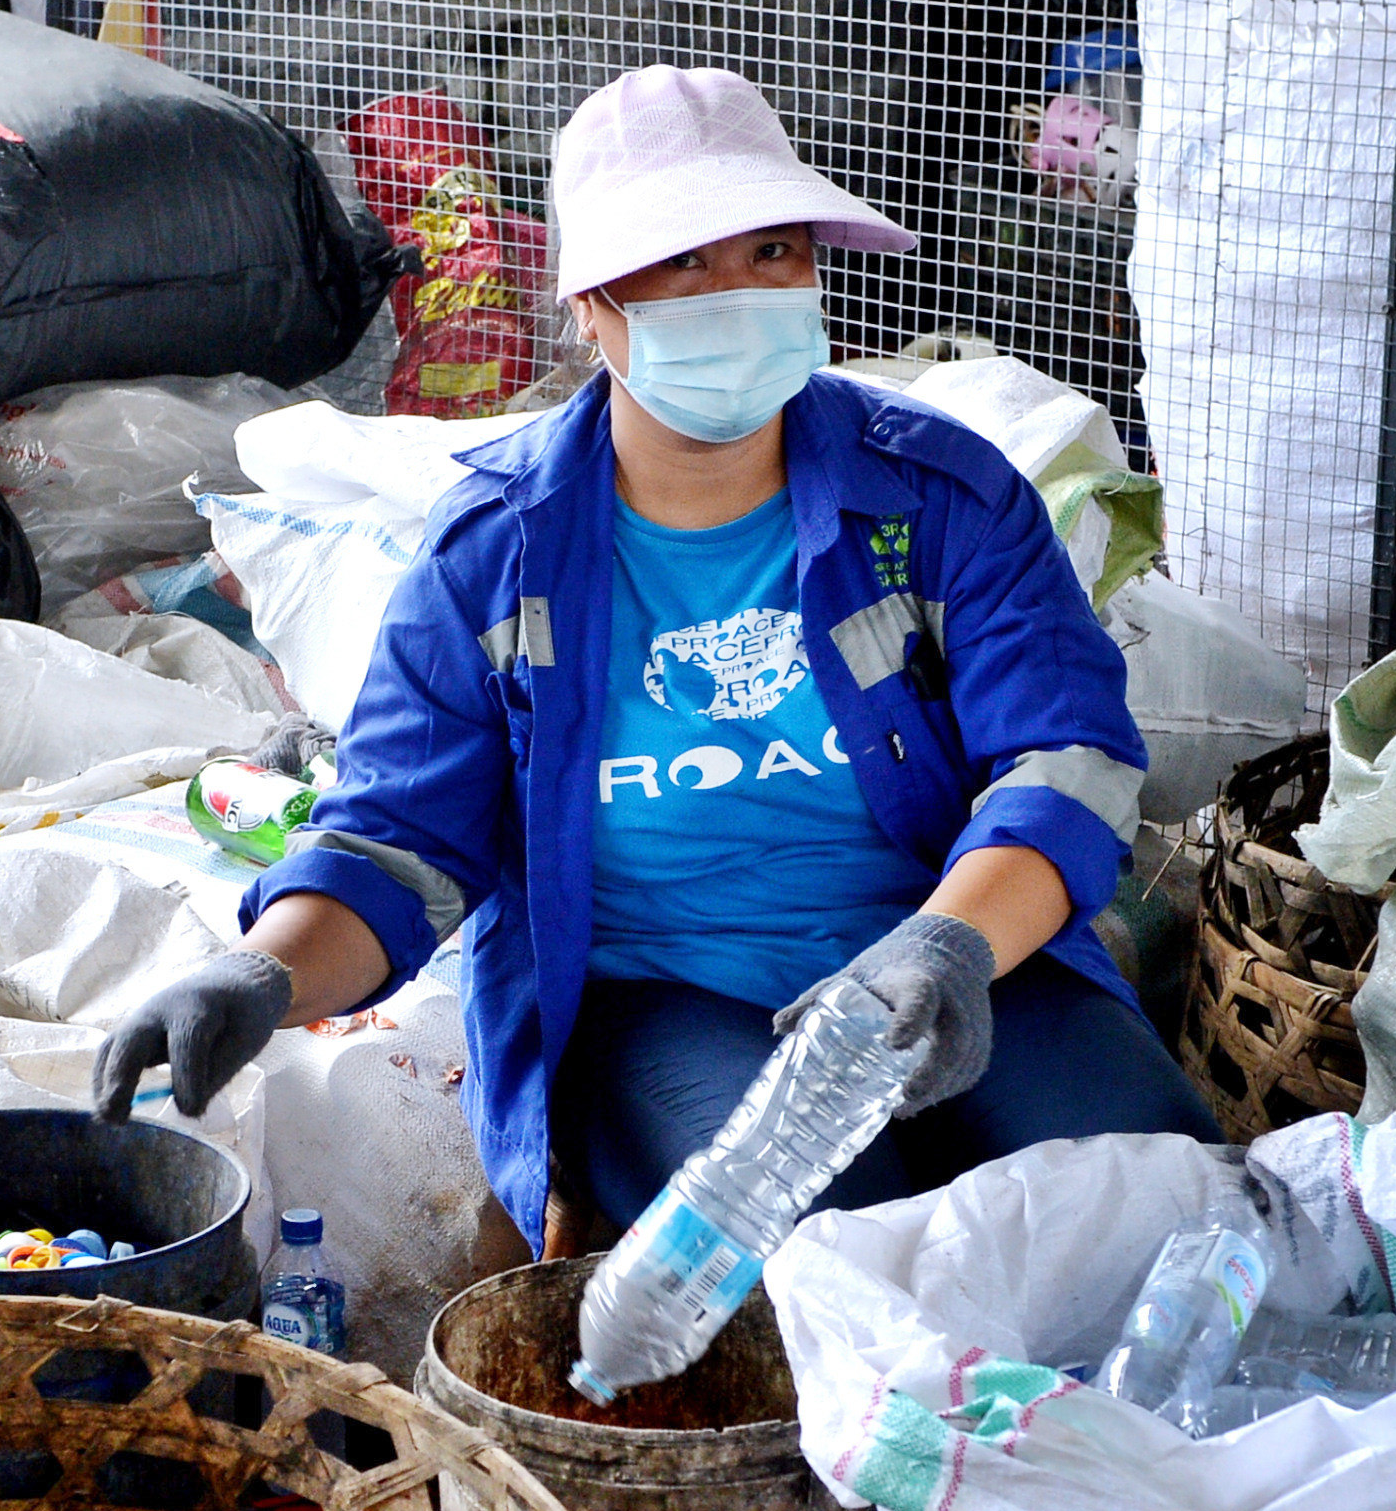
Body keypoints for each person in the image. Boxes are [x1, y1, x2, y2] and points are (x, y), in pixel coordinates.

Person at [90, 65, 1218, 1250]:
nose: (736, 291)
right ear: (587, 305)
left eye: (773, 251)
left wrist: (949, 945)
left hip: (959, 958)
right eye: (684, 260)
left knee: (1163, 1209)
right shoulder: (494, 556)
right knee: (821, 1247)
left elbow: (1067, 756)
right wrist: (259, 978)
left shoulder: (939, 498)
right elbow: (401, 842)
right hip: (666, 999)